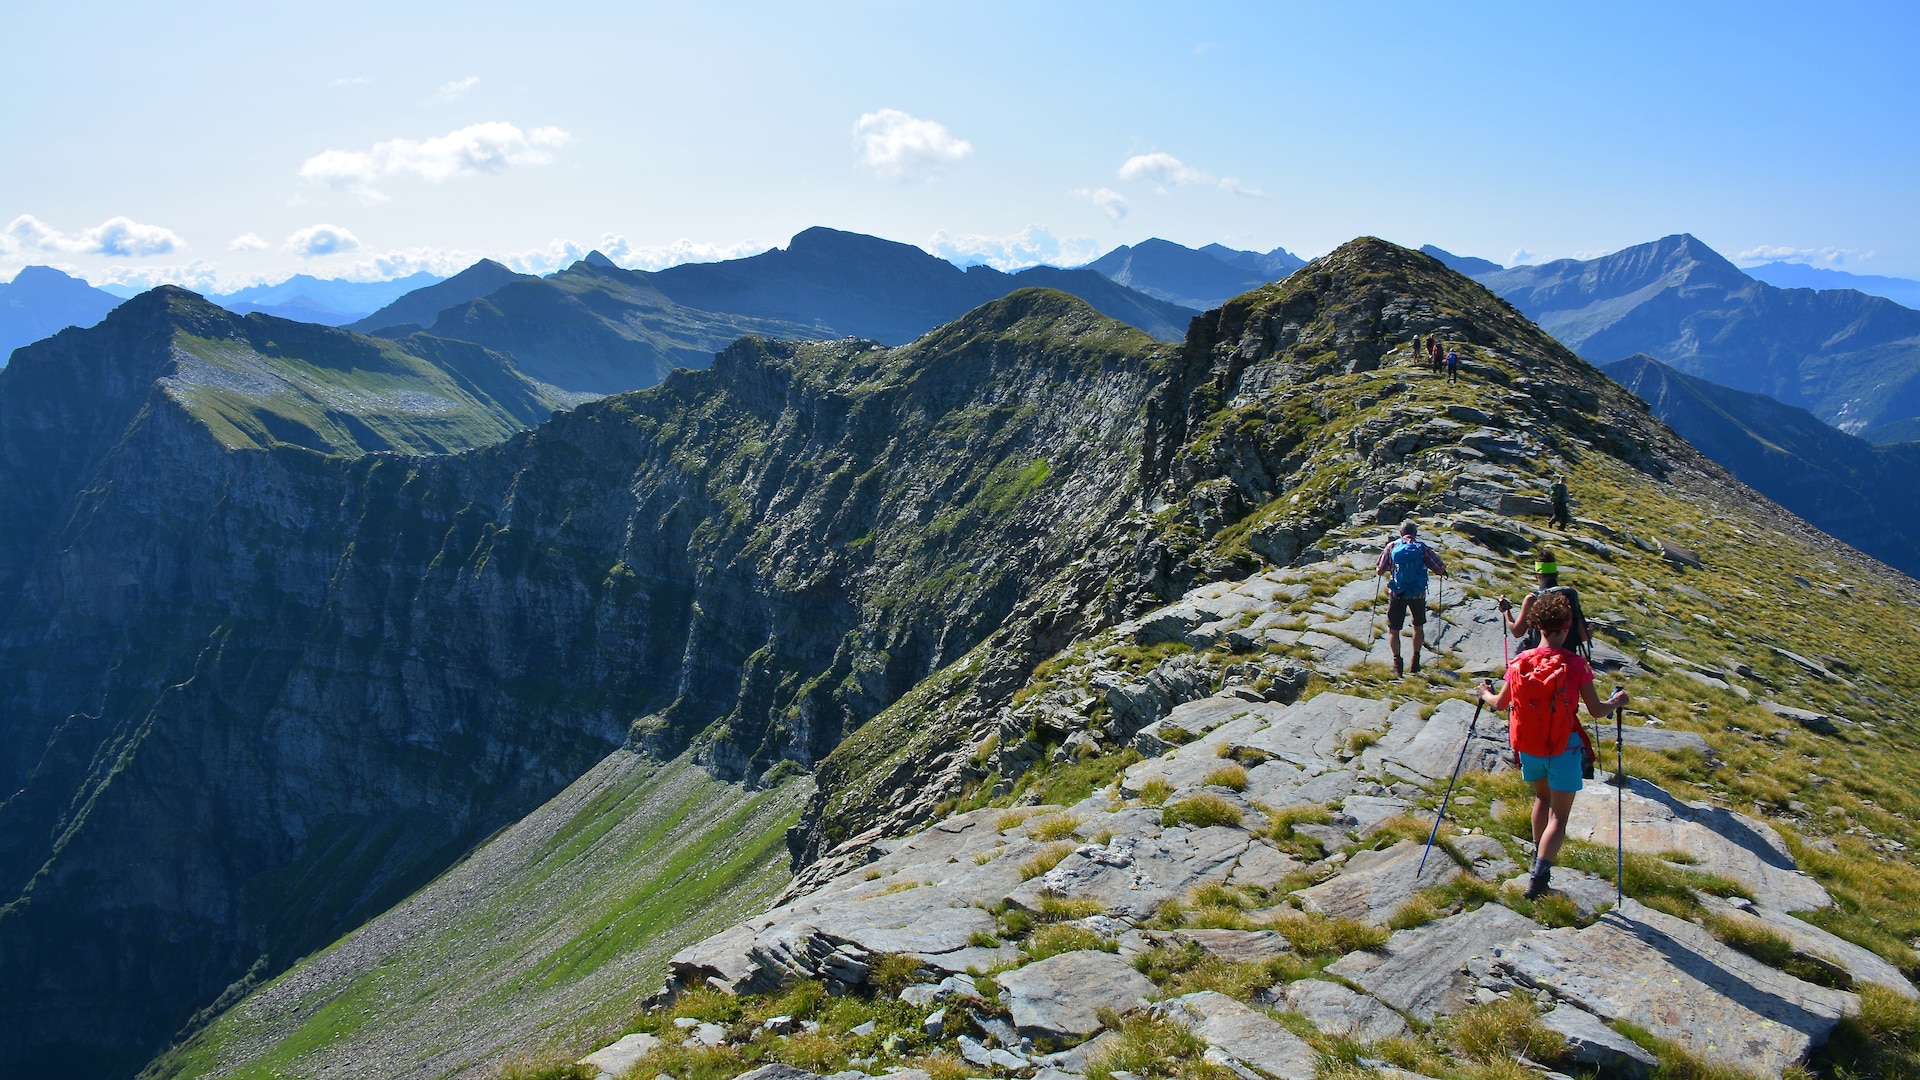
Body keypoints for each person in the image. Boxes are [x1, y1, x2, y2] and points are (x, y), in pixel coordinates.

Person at [1478, 591, 1627, 898]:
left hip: (1529, 748)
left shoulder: (1519, 662)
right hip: (1564, 747)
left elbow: (1500, 703)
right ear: (1567, 626)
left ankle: (1535, 857)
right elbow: (1597, 711)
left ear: (1537, 626)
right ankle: (1539, 877)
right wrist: (1617, 701)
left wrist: (1484, 693)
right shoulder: (1576, 665)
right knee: (1559, 817)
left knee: (1542, 800)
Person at [1376, 520, 1446, 676]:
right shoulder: (1422, 548)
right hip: (1417, 594)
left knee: (1394, 630)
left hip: (1397, 593)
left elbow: (1379, 570)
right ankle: (1415, 661)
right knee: (1418, 627)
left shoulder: (1392, 546)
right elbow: (1439, 569)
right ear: (1415, 533)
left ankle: (1397, 664)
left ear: (1401, 533)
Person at [1500, 548, 1591, 659]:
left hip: (1540, 661)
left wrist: (1506, 612)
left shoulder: (1532, 598)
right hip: (1567, 660)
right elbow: (1584, 636)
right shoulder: (1570, 595)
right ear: (1556, 574)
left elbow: (1517, 632)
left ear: (1538, 576)